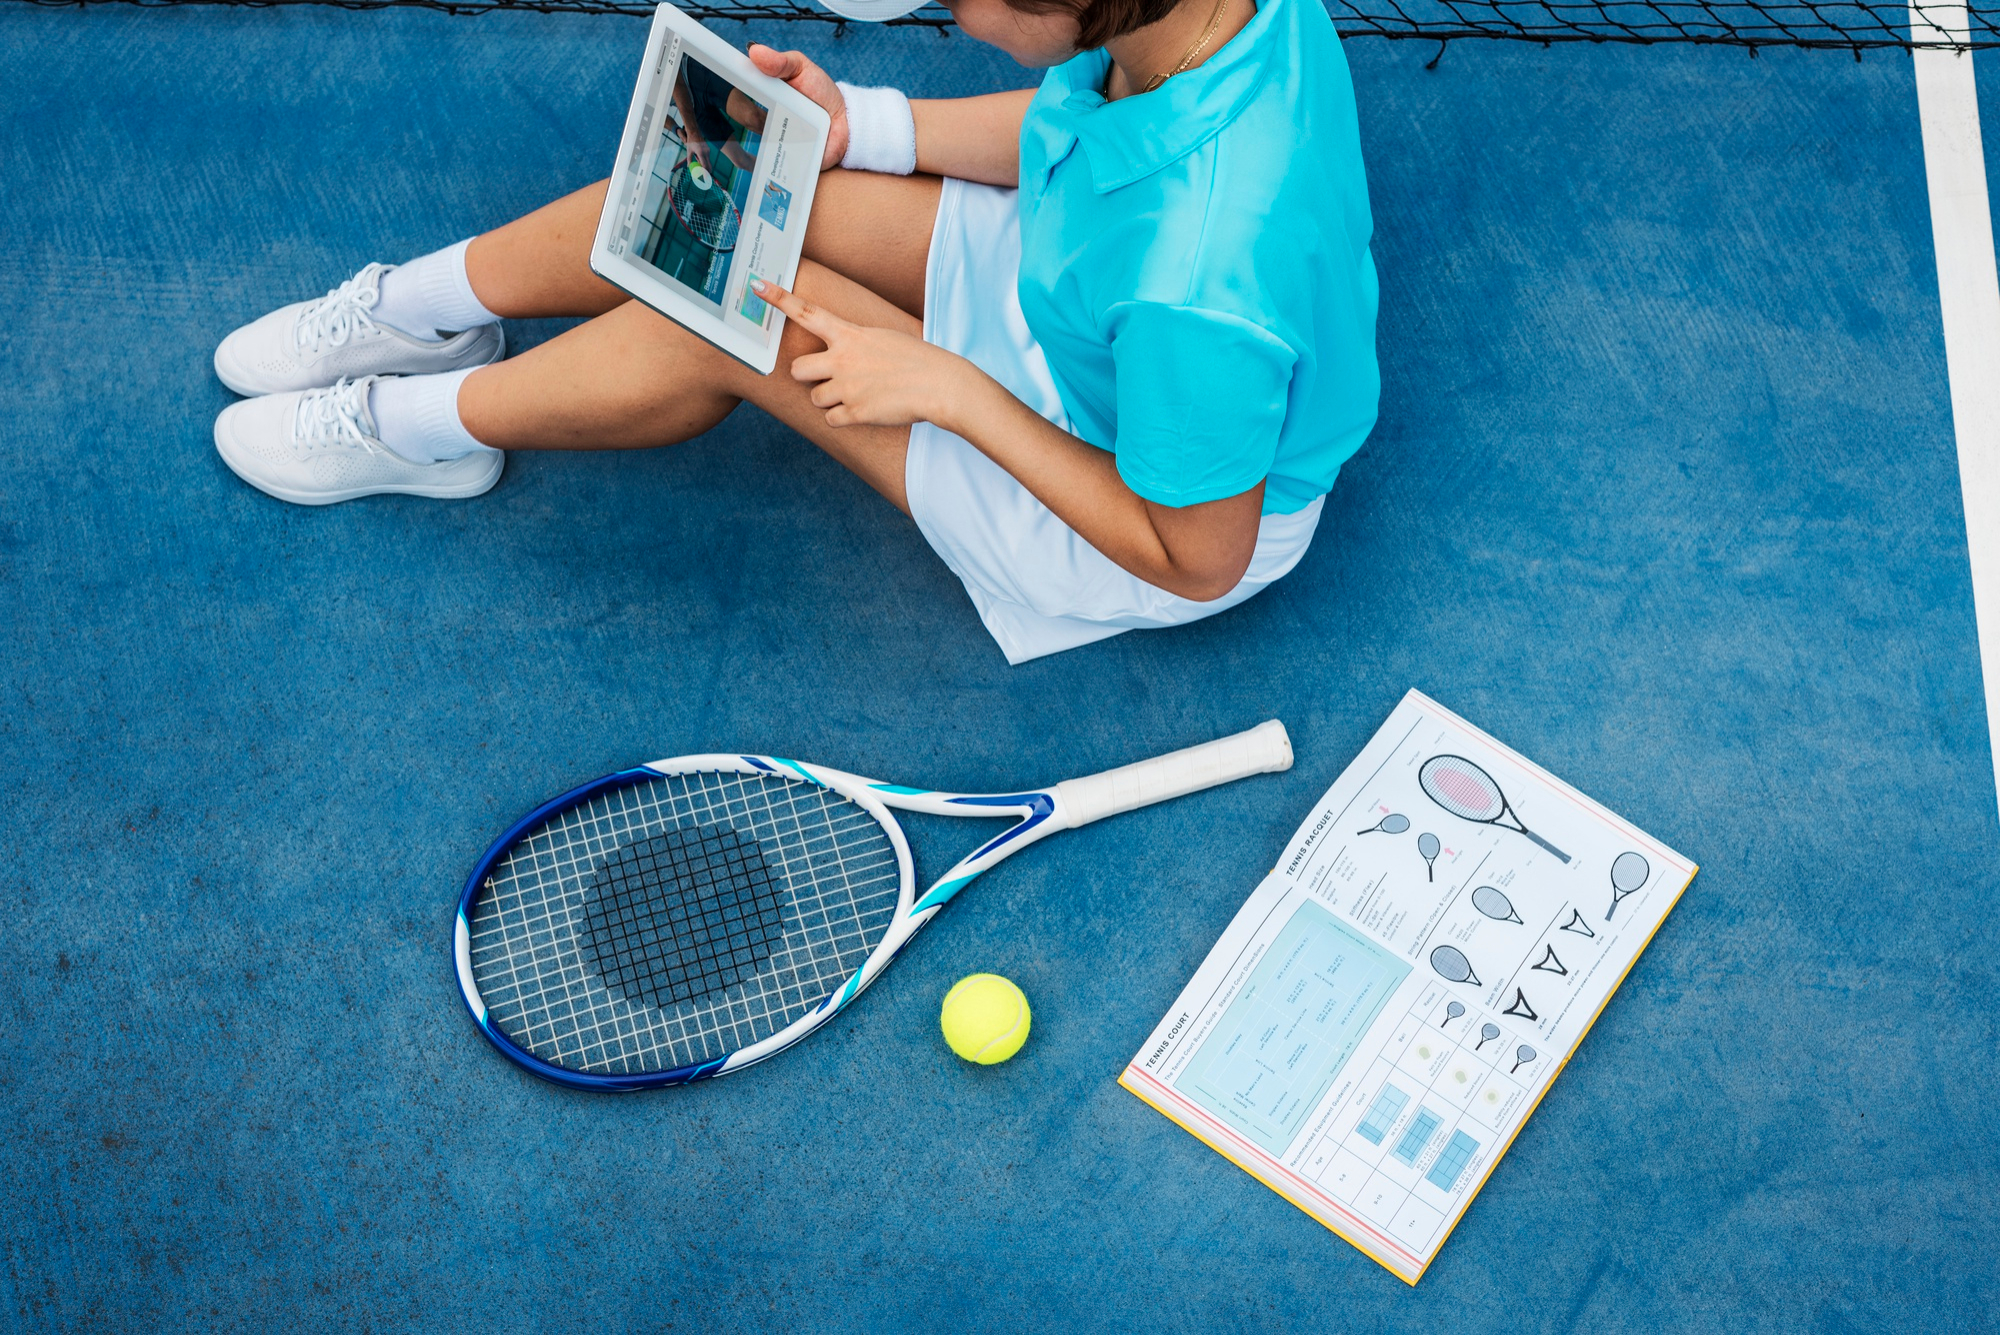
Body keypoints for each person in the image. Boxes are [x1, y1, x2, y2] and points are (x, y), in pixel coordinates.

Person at [209, 0, 1379, 663]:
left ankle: (415, 430)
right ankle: (415, 312)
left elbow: (1195, 555)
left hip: (1131, 494)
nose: (937, 8)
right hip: (1089, 301)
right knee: (735, 166)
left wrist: (950, 388)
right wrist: (856, 127)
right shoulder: (1208, 17)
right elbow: (1075, 121)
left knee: (722, 318)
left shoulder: (1197, 285)